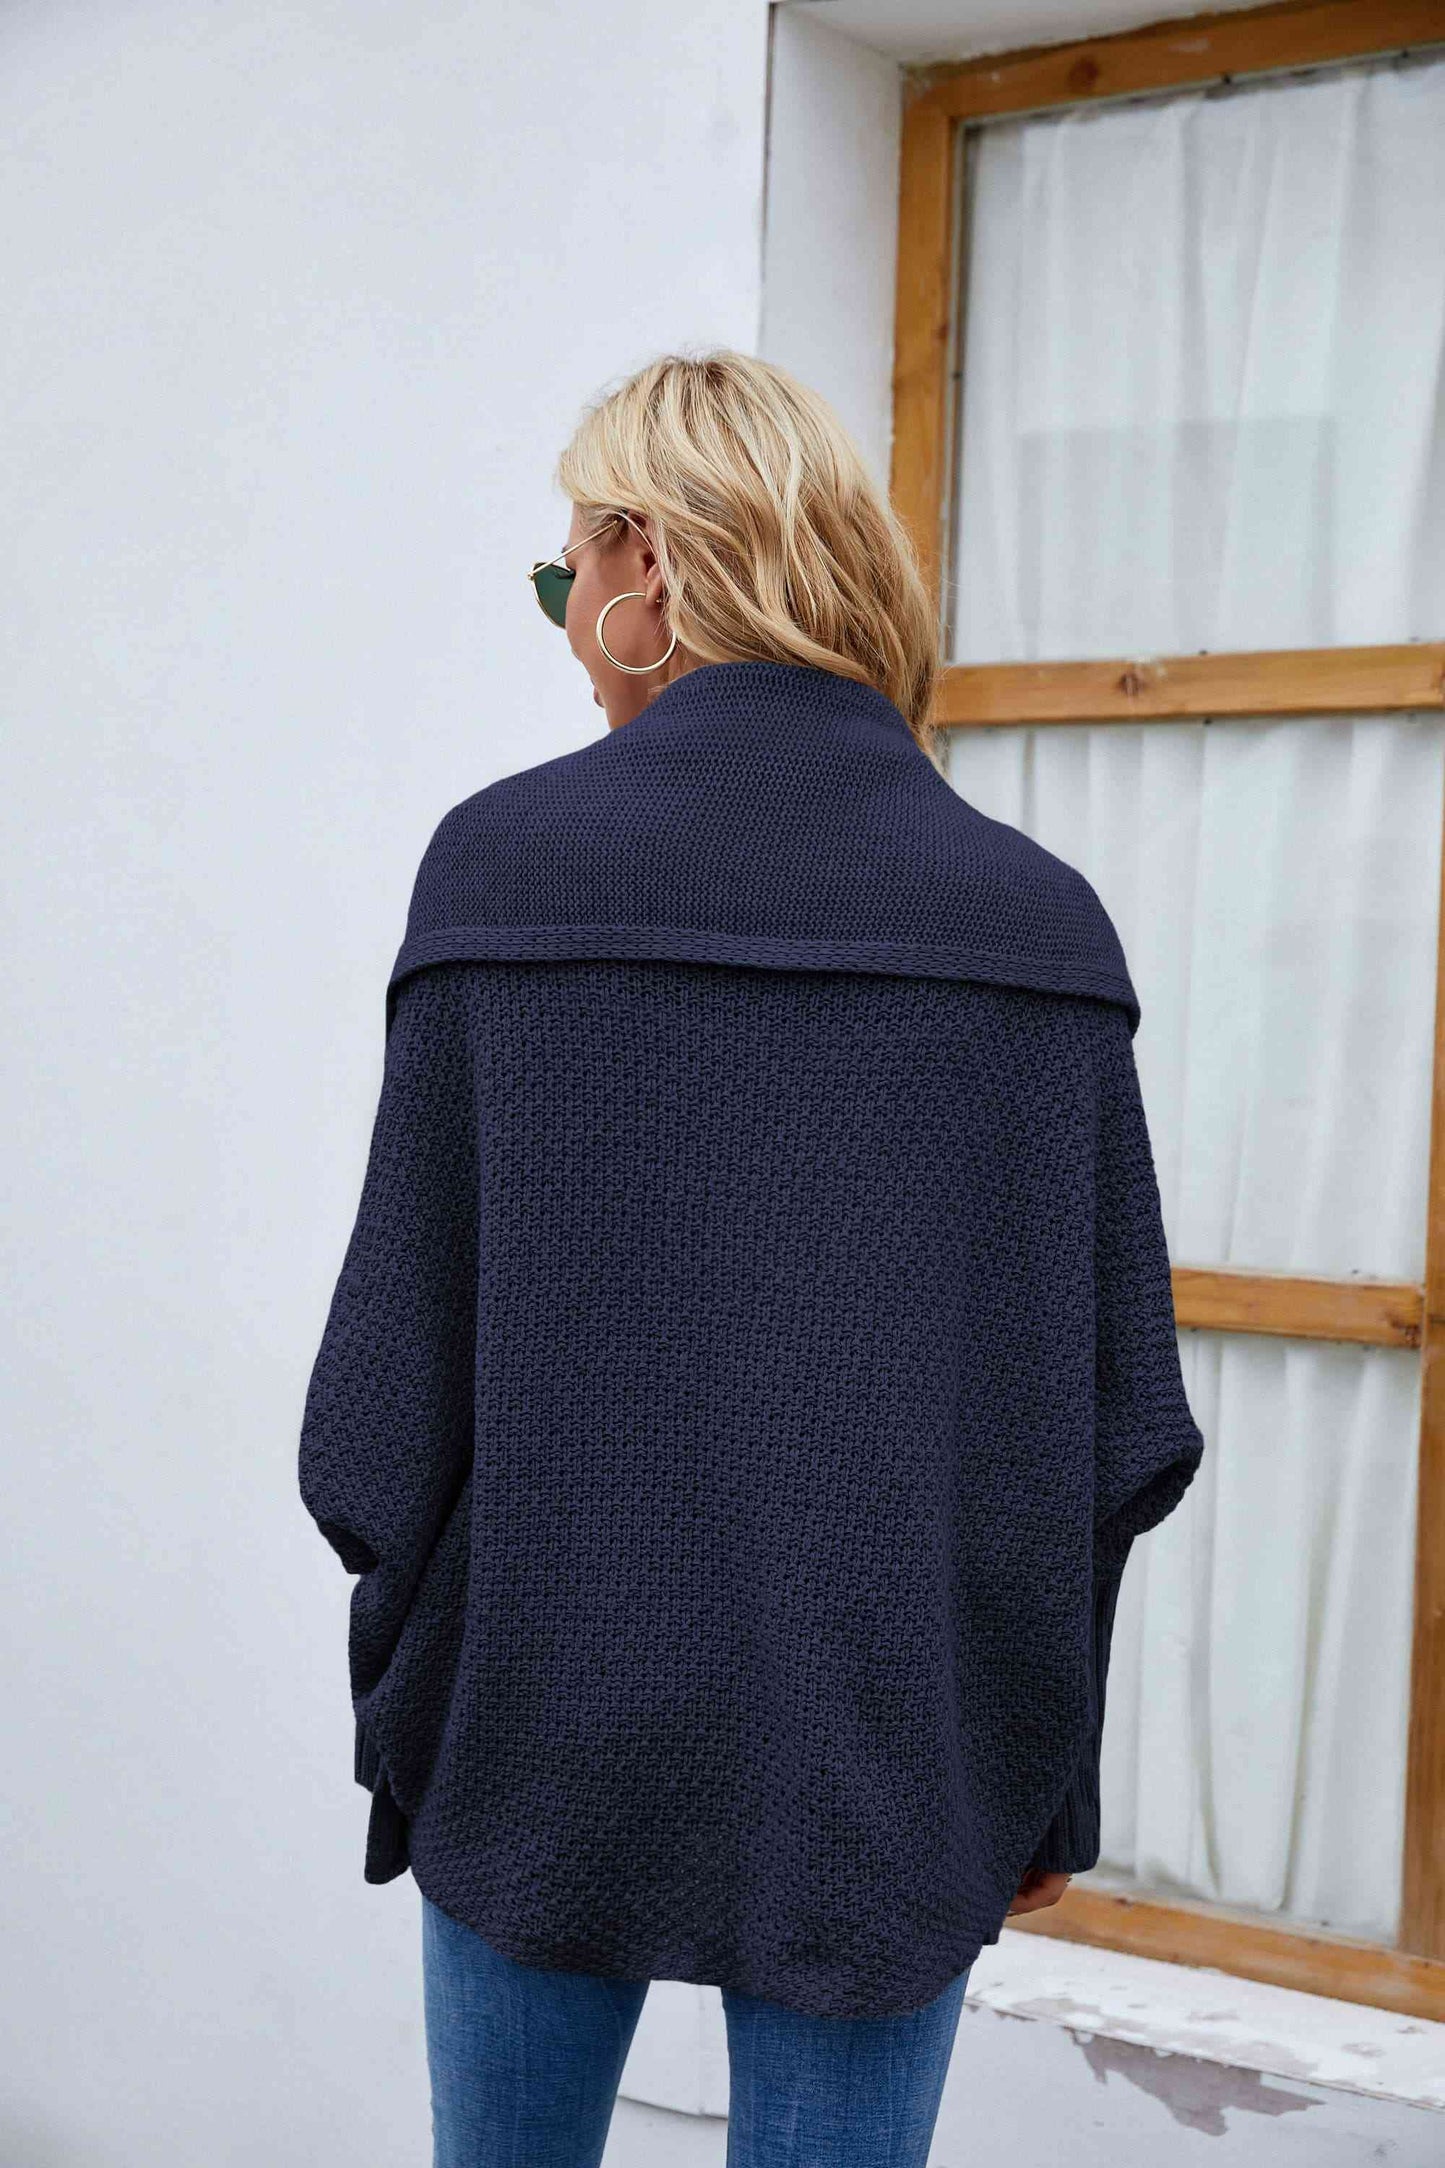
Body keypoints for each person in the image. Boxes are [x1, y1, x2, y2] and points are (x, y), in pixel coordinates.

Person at [297, 349, 1204, 2168]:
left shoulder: (503, 872)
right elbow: (1103, 1436)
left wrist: (416, 1719)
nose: (566, 630)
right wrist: (1031, 1778)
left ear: (643, 563)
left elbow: (383, 1406)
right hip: (893, 1752)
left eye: (561, 576)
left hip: (534, 1723)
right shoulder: (1034, 925)